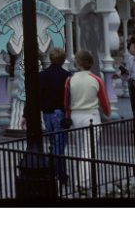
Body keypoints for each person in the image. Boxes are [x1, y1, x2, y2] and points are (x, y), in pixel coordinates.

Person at [64, 49, 111, 189]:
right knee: (88, 150)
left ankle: (79, 179)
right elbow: (104, 102)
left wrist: (68, 115)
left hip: (75, 115)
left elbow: (66, 102)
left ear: (78, 63)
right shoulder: (96, 80)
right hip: (91, 115)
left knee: (80, 150)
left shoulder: (70, 80)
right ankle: (82, 183)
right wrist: (107, 113)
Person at [37, 47, 71, 183]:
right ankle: (59, 174)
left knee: (53, 143)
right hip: (59, 112)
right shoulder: (66, 76)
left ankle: (57, 172)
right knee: (59, 144)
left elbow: (37, 95)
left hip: (47, 113)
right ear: (63, 60)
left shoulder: (42, 75)